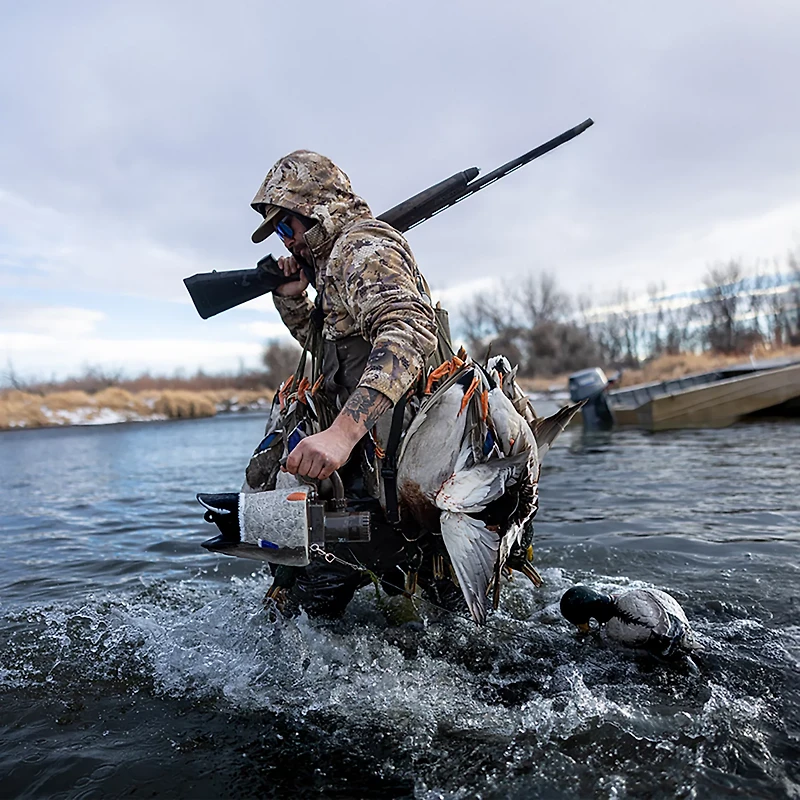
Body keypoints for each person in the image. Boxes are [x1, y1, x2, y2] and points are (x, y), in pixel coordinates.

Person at [248, 150, 458, 618]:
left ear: (316, 210)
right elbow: (333, 355)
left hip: (415, 470)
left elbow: (409, 330)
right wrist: (294, 299)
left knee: (301, 613)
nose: (287, 244)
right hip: (389, 467)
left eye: (287, 227)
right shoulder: (336, 263)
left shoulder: (361, 248)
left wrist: (340, 435)